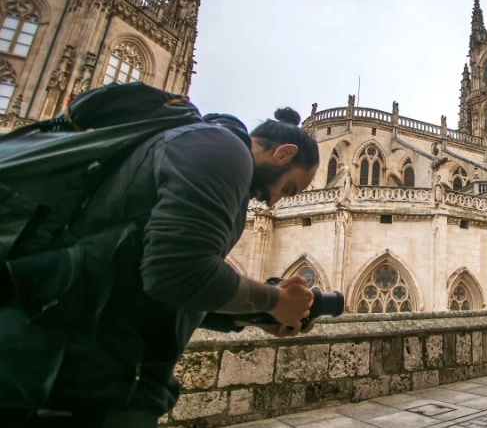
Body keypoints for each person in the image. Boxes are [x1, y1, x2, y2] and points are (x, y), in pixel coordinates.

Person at [7, 107, 320, 427]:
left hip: (82, 362)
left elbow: (150, 279)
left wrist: (254, 315)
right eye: (288, 189)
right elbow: (180, 273)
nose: (274, 202)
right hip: (63, 365)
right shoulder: (223, 151)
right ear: (284, 154)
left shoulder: (202, 146)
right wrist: (274, 300)